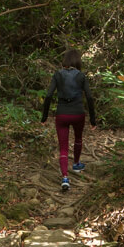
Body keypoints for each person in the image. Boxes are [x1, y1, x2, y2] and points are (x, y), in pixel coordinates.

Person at [41, 48, 96, 191]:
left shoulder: (57, 75)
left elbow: (48, 96)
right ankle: (76, 164)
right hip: (78, 113)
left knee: (63, 148)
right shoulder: (81, 76)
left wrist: (44, 117)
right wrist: (93, 120)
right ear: (77, 61)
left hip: (62, 114)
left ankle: (65, 178)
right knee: (78, 138)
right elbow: (89, 97)